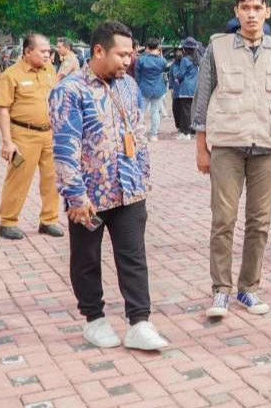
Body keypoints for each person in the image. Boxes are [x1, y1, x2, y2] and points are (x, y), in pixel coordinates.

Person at [48, 21, 168, 351]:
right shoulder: (69, 90)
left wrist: (143, 177)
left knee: (134, 257)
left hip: (129, 190)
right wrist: (74, 195)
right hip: (89, 196)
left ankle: (140, 322)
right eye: (122, 54)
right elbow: (64, 147)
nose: (129, 61)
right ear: (99, 51)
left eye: (131, 54)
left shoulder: (128, 86)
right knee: (86, 258)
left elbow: (139, 135)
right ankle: (94, 320)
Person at [192, 0, 271, 319]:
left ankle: (248, 289)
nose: (251, 14)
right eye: (245, 8)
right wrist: (201, 148)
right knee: (223, 219)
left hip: (268, 146)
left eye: (257, 8)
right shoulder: (217, 48)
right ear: (236, 12)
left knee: (259, 222)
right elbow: (202, 99)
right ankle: (220, 291)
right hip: (228, 146)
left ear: (267, 12)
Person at [0, 33, 62, 240]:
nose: (47, 54)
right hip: (23, 135)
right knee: (18, 179)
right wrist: (7, 142)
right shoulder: (10, 75)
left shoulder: (50, 70)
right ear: (27, 52)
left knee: (52, 179)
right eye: (42, 51)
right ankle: (7, 221)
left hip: (49, 134)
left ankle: (49, 220)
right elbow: (3, 109)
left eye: (48, 51)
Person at [134, 39, 167, 141]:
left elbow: (137, 76)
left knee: (141, 112)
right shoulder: (162, 61)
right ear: (158, 48)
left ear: (147, 48)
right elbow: (163, 67)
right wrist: (160, 53)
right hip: (158, 89)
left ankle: (140, 133)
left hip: (144, 88)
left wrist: (138, 86)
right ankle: (154, 134)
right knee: (155, 112)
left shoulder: (141, 60)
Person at [170, 38, 200, 140]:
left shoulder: (185, 60)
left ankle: (185, 133)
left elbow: (181, 74)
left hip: (185, 88)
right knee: (192, 110)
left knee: (185, 112)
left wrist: (177, 78)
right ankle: (192, 130)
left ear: (185, 49)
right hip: (194, 88)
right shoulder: (196, 59)